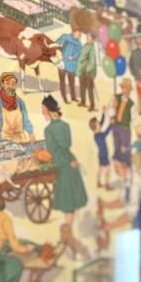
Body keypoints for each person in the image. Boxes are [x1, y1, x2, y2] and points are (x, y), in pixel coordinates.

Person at [96, 161, 141, 282]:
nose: (116, 171)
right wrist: (107, 204)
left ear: (125, 166)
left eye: (117, 168)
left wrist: (110, 226)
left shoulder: (136, 182)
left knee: (140, 255)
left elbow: (130, 214)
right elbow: (122, 201)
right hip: (135, 214)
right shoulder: (125, 179)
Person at [42, 94, 89, 258]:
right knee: (71, 203)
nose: (42, 113)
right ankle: (68, 235)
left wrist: (64, 163)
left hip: (63, 165)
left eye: (43, 110)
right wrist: (70, 161)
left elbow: (54, 151)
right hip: (71, 161)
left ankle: (67, 236)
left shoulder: (48, 130)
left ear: (49, 111)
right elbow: (67, 145)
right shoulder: (65, 126)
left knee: (68, 202)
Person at [0, 73, 35, 143]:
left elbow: (26, 120)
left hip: (21, 139)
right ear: (2, 84)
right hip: (5, 141)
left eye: (13, 84)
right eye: (7, 83)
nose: (11, 86)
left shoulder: (20, 102)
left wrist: (31, 133)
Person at [112, 78, 136, 175]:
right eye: (124, 88)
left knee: (125, 148)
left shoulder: (131, 104)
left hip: (125, 128)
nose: (126, 91)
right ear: (122, 88)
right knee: (117, 146)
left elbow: (134, 118)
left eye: (128, 89)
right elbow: (110, 111)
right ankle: (119, 168)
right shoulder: (116, 98)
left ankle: (127, 168)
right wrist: (113, 107)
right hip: (115, 126)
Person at [55, 27, 82, 103]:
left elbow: (79, 53)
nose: (78, 35)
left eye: (79, 34)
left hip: (72, 65)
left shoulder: (79, 44)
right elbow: (56, 44)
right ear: (73, 32)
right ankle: (64, 98)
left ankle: (73, 97)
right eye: (77, 33)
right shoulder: (65, 37)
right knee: (62, 82)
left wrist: (73, 57)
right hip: (62, 64)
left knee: (72, 83)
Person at [89, 111, 113, 189]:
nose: (100, 124)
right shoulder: (99, 136)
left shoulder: (96, 134)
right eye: (98, 124)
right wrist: (111, 124)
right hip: (104, 155)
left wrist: (103, 114)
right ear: (96, 127)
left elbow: (101, 123)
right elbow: (106, 132)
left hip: (100, 155)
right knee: (108, 169)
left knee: (101, 169)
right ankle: (107, 184)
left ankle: (98, 182)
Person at [77, 31, 97, 111]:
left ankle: (92, 105)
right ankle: (83, 102)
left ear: (92, 39)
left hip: (88, 73)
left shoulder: (91, 48)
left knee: (90, 89)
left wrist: (87, 70)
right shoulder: (85, 45)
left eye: (88, 37)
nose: (87, 37)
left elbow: (92, 62)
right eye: (87, 36)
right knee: (82, 87)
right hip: (82, 71)